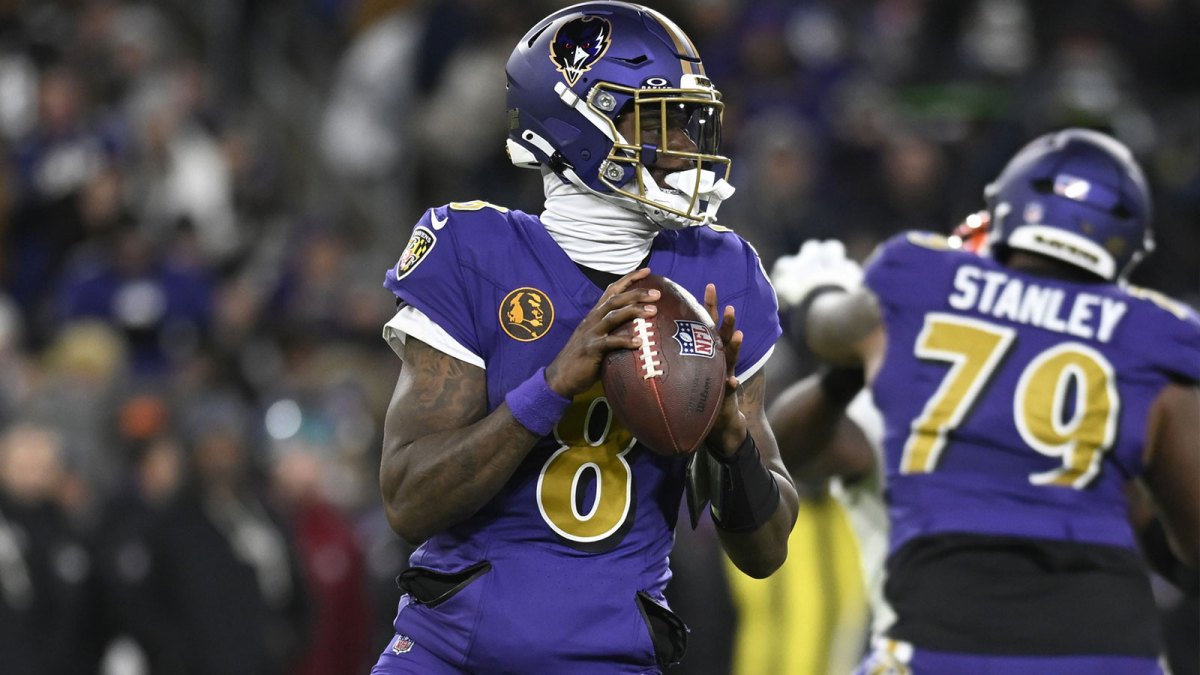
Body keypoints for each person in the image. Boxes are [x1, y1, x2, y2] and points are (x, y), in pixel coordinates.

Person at [370, 3, 799, 673]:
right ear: (578, 123)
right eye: (659, 121)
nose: (686, 144)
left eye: (690, 119)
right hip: (452, 652)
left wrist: (732, 442)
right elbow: (407, 498)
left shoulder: (721, 270)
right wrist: (547, 389)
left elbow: (766, 551)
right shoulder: (475, 248)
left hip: (612, 655)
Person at [798, 128, 1199, 674]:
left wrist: (821, 289)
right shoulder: (1160, 335)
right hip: (1107, 650)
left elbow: (824, 332)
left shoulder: (917, 279)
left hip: (945, 638)